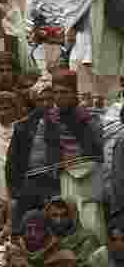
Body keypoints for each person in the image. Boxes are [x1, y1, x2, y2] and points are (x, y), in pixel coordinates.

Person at [6, 70, 103, 232]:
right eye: (56, 92)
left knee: (91, 227)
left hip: (86, 187)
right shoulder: (46, 121)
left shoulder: (90, 120)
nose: (59, 97)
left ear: (75, 93)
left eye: (64, 92)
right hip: (56, 189)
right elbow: (38, 162)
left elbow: (97, 155)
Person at [64, 0, 124, 103]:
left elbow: (119, 5)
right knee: (81, 68)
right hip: (83, 31)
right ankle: (85, 105)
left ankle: (109, 106)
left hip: (107, 32)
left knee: (107, 72)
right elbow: (72, 2)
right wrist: (71, 26)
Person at [25, 0, 68, 75]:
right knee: (57, 66)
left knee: (41, 67)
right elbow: (66, 7)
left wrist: (29, 32)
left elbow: (31, 11)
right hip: (61, 33)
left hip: (41, 34)